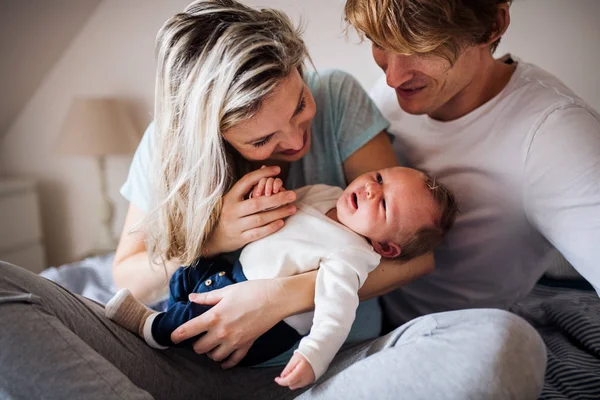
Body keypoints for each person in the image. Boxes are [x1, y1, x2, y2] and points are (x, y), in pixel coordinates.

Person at [0, 1, 547, 399]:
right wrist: (213, 237)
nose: (293, 142)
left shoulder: (336, 96)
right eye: (261, 140)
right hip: (185, 362)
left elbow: (414, 251)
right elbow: (128, 276)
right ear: (210, 135)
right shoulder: (168, 148)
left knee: (507, 341)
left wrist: (281, 298)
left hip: (331, 365)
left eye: (299, 104)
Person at [344, 0, 600, 345]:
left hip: (439, 341)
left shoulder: (556, 138)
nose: (392, 76)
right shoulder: (401, 92)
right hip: (359, 308)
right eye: (380, 43)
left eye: (422, 47)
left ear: (492, 25)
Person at [105, 166, 458, 390]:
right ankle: (173, 306)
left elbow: (336, 315)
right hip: (238, 270)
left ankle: (153, 329)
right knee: (189, 272)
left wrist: (313, 357)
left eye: (382, 205)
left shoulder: (353, 255)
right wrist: (269, 194)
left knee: (205, 315)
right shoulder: (326, 195)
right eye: (380, 178)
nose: (370, 190)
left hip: (269, 328)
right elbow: (287, 208)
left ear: (387, 247)